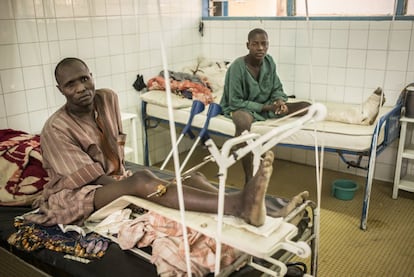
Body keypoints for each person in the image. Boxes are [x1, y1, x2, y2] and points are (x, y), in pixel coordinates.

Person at [25, 57, 308, 228]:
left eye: (84, 79)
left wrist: (157, 188)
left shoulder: (107, 98)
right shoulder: (56, 129)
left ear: (92, 77)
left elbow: (114, 155)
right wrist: (136, 191)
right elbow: (95, 179)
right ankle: (239, 205)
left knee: (194, 178)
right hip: (77, 196)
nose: (81, 89)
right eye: (71, 84)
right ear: (61, 89)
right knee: (146, 180)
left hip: (112, 178)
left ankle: (273, 214)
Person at [220, 28, 311, 182]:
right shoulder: (237, 67)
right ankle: (249, 178)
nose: (260, 48)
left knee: (307, 106)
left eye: (264, 44)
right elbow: (234, 101)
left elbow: (276, 88)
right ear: (247, 45)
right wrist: (266, 108)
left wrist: (279, 101)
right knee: (242, 123)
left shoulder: (269, 62)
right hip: (241, 108)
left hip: (266, 106)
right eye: (255, 44)